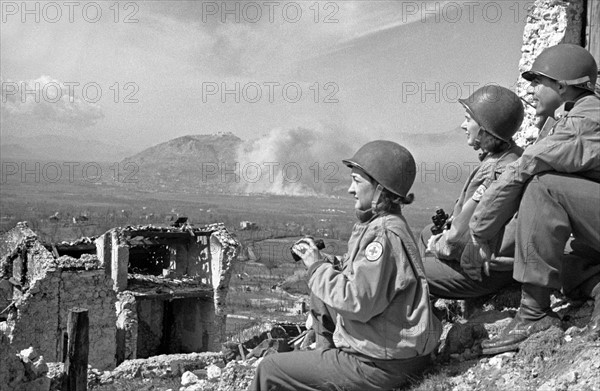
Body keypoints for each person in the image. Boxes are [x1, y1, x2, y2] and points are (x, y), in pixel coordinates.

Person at [249, 141, 442, 391]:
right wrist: (325, 262)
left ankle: (325, 362)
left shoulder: (381, 235)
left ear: (380, 190)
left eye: (356, 181)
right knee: (321, 279)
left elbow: (357, 302)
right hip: (395, 352)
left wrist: (317, 267)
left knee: (269, 369)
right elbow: (365, 278)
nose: (351, 189)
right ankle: (323, 357)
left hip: (380, 364)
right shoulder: (385, 224)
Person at [467, 44, 600, 354]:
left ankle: (533, 314)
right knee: (564, 269)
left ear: (563, 85)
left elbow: (521, 170)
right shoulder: (569, 116)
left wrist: (481, 232)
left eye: (538, 81)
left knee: (542, 186)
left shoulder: (583, 123)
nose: (532, 89)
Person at [419, 85, 524, 299]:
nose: (462, 125)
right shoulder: (511, 155)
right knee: (426, 232)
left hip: (486, 269)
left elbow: (457, 242)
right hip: (495, 256)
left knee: (406, 271)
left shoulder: (493, 170)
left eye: (468, 119)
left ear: (486, 129)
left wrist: (436, 245)